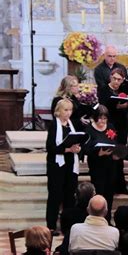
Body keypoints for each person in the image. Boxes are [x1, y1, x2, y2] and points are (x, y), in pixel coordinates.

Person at [98, 68, 128, 194]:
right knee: (110, 153)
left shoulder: (123, 87)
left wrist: (124, 82)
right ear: (110, 77)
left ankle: (120, 184)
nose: (116, 81)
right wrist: (117, 106)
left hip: (122, 125)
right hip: (109, 124)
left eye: (119, 79)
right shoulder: (104, 89)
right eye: (114, 78)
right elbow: (103, 106)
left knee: (120, 154)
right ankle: (110, 183)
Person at [46, 98, 81, 233]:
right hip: (57, 165)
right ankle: (51, 226)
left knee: (69, 195)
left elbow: (77, 140)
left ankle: (68, 226)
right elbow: (50, 147)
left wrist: (77, 149)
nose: (68, 113)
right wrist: (68, 150)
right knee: (55, 195)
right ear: (58, 111)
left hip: (71, 164)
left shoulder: (72, 124)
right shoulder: (54, 125)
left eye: (70, 110)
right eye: (65, 110)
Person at [83, 105, 117, 219]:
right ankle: (97, 217)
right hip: (96, 165)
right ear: (95, 118)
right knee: (99, 191)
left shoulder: (110, 127)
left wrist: (116, 153)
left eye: (105, 118)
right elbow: (86, 149)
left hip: (110, 164)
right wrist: (98, 154)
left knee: (109, 192)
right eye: (100, 118)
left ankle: (107, 218)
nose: (102, 121)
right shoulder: (89, 129)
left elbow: (115, 143)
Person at [56, 182, 96, 254]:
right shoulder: (96, 215)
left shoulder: (66, 214)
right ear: (93, 196)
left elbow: (64, 232)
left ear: (75, 196)